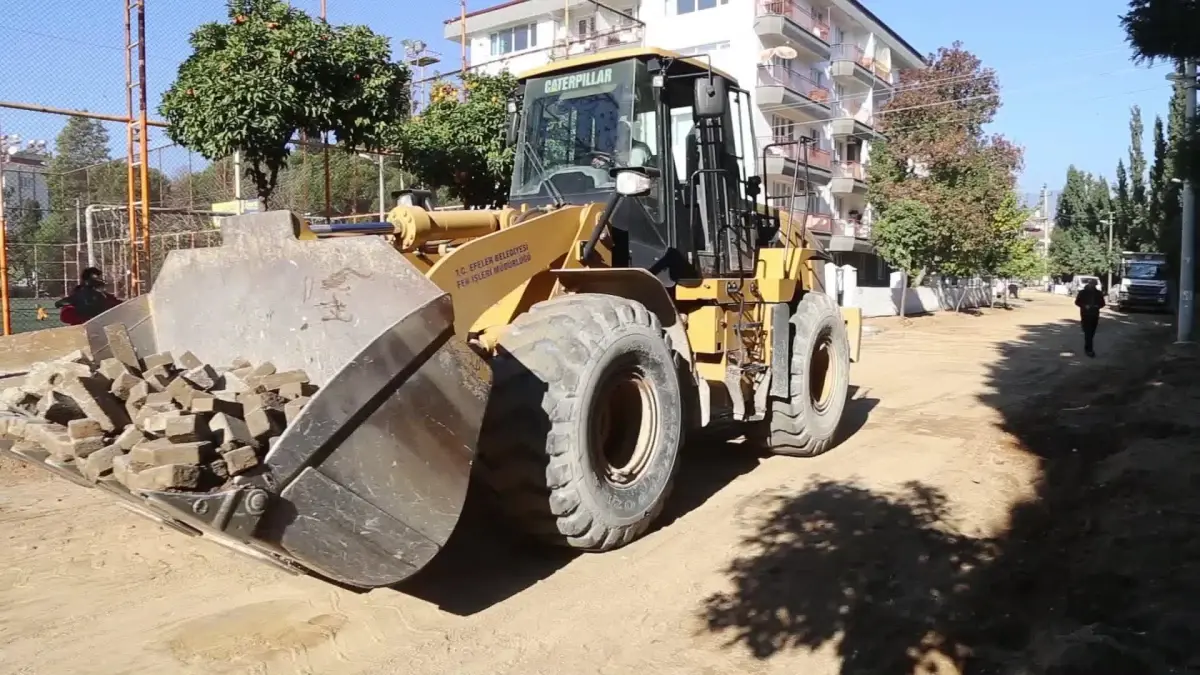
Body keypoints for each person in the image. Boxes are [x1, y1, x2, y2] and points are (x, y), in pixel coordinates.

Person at [55, 267, 120, 326]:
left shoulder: (105, 296)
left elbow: (119, 306)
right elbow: (65, 315)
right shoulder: (79, 295)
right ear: (87, 281)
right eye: (96, 278)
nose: (100, 280)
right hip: (84, 330)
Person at [1074, 278, 1106, 358]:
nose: (1091, 285)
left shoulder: (1098, 293)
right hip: (1085, 314)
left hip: (1094, 314)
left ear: (1095, 285)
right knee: (1087, 331)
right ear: (1087, 284)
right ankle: (1089, 349)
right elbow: (1077, 302)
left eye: (1092, 284)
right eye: (1089, 284)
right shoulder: (1082, 292)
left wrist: (1097, 306)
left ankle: (1088, 346)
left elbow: (1102, 303)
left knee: (1091, 332)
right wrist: (1085, 306)